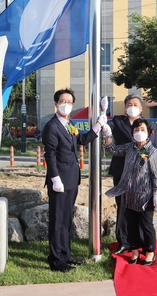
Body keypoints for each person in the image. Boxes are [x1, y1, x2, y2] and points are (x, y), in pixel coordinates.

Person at [42, 88, 105, 272]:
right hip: (59, 181)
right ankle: (56, 260)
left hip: (71, 179)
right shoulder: (52, 126)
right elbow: (50, 154)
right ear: (56, 103)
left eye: (70, 102)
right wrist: (55, 178)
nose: (66, 104)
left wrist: (99, 124)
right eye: (63, 101)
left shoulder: (69, 124)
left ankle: (65, 254)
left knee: (67, 219)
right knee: (57, 220)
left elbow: (82, 140)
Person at [103, 118, 157, 266]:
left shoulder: (152, 152)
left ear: (149, 133)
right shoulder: (130, 147)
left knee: (146, 224)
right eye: (136, 130)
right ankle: (135, 250)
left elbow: (156, 174)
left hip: (145, 195)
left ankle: (150, 252)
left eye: (142, 130)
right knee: (131, 224)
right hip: (129, 194)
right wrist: (108, 136)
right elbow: (113, 150)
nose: (139, 132)